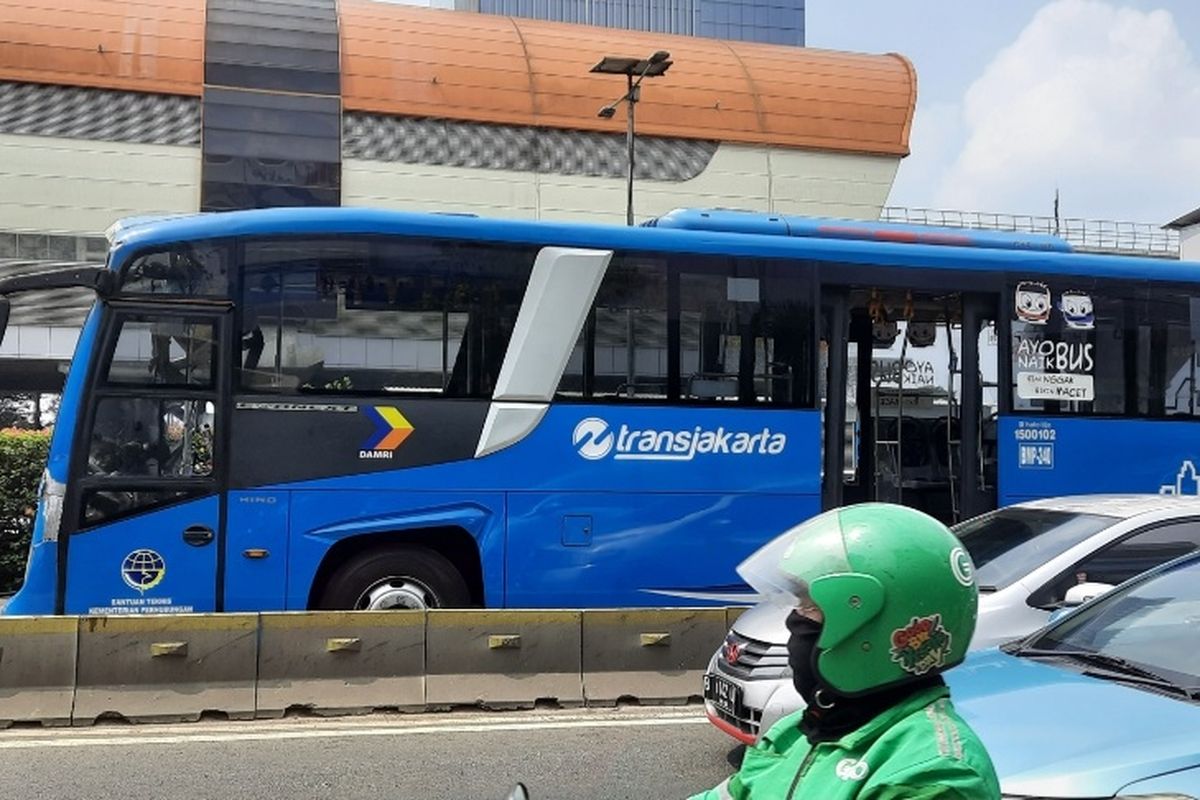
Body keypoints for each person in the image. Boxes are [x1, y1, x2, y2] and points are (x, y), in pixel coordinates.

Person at [690, 503, 1000, 800]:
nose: (795, 622)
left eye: (811, 608)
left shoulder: (932, 773)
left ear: (873, 632)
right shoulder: (797, 732)